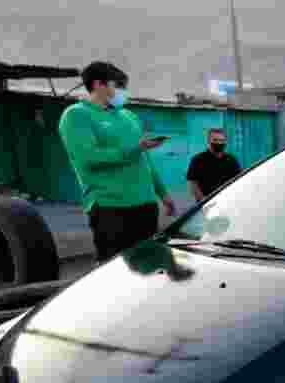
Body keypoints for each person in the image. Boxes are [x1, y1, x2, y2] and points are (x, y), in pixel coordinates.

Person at [59, 62, 175, 264]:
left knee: (147, 266)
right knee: (113, 271)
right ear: (97, 85)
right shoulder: (76, 115)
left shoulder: (129, 116)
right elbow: (89, 158)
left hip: (145, 204)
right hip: (110, 205)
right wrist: (134, 148)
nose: (122, 91)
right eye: (117, 85)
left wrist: (163, 193)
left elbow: (144, 159)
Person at [187, 128, 242, 203]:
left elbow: (238, 180)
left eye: (222, 140)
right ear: (208, 141)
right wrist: (203, 200)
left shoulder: (232, 160)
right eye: (215, 140)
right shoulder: (198, 159)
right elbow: (193, 182)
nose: (219, 143)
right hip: (206, 202)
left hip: (228, 201)